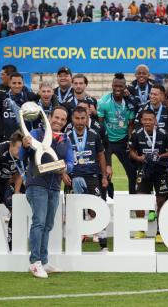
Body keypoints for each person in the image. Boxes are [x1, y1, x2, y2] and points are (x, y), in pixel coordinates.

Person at [22, 106, 74, 278]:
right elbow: (22, 154)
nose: (58, 121)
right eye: (56, 117)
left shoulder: (66, 140)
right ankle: (34, 262)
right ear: (49, 117)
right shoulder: (36, 133)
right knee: (39, 223)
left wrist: (62, 167)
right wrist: (25, 146)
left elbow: (70, 163)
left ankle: (43, 261)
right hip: (37, 184)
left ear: (66, 122)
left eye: (62, 119)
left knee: (48, 225)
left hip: (54, 187)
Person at [67, 106, 109, 249]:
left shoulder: (94, 134)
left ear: (87, 118)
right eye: (77, 118)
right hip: (72, 178)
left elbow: (101, 155)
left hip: (92, 176)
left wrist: (104, 176)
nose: (80, 121)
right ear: (72, 119)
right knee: (74, 211)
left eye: (82, 118)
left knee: (96, 209)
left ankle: (103, 244)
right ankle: (75, 243)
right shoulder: (66, 136)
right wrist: (64, 174)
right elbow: (60, 157)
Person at [129, 110, 168, 242]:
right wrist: (139, 158)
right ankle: (141, 230)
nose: (147, 122)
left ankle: (160, 231)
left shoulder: (163, 134)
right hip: (144, 170)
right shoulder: (136, 134)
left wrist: (158, 156)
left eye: (150, 120)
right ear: (141, 121)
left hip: (160, 171)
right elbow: (131, 150)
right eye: (145, 120)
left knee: (161, 201)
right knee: (139, 199)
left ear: (155, 121)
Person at [97, 73, 136, 194]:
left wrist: (129, 140)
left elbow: (130, 125)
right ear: (112, 85)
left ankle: (133, 200)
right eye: (115, 85)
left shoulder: (129, 104)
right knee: (104, 171)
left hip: (122, 141)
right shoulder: (104, 101)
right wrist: (103, 142)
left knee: (131, 171)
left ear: (125, 87)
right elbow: (101, 124)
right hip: (107, 141)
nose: (117, 88)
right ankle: (103, 196)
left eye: (121, 86)